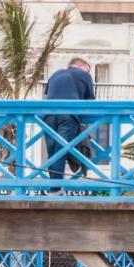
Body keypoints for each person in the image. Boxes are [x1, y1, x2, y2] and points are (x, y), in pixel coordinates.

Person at [42, 57, 96, 191]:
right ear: (81, 66)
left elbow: (48, 94)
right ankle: (55, 189)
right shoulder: (84, 75)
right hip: (67, 115)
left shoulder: (55, 74)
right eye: (88, 70)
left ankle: (54, 187)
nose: (89, 74)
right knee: (61, 150)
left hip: (47, 115)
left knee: (52, 151)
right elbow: (90, 101)